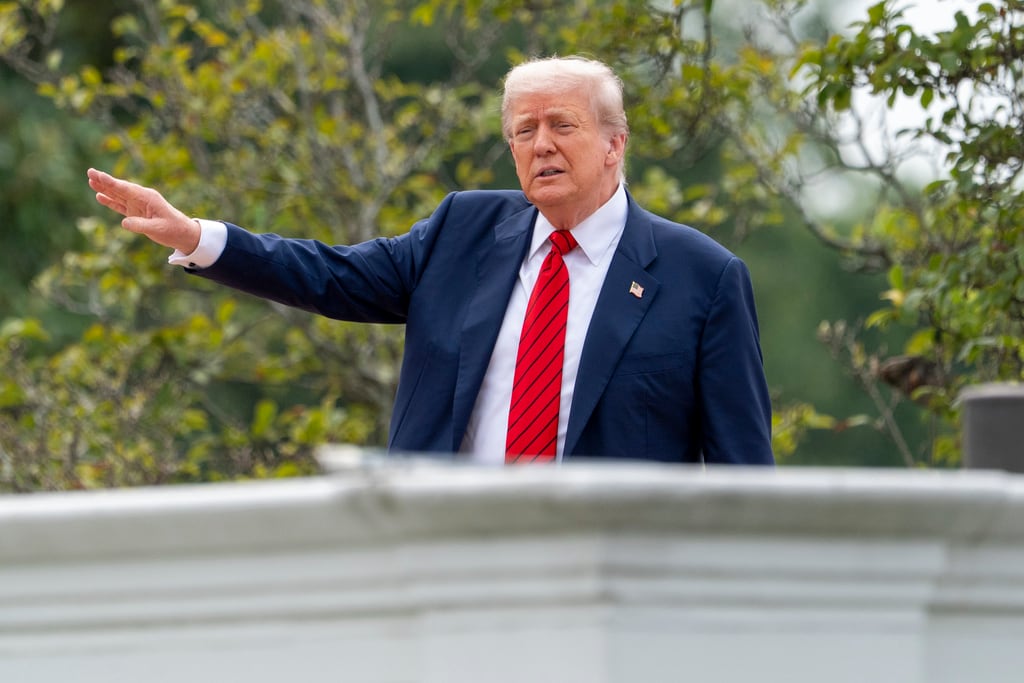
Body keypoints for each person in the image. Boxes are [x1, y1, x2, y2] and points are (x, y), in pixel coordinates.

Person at [87, 56, 774, 466]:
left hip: (608, 591)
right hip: (449, 565)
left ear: (614, 143)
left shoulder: (702, 278)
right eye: (524, 130)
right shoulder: (462, 232)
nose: (541, 144)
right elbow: (330, 275)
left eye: (562, 125)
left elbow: (742, 472)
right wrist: (195, 236)